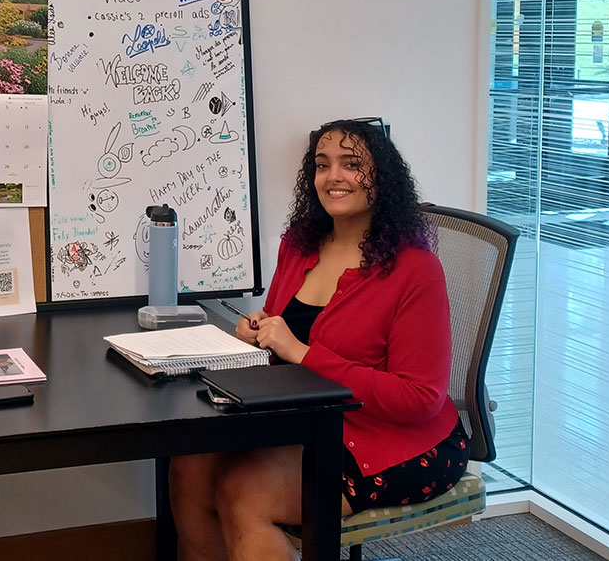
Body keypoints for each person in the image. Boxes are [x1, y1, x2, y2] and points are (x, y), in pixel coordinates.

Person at [170, 118, 469, 561]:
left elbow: (420, 397)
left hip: (397, 439)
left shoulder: (414, 269)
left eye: (352, 164)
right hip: (308, 417)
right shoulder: (299, 243)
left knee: (244, 493)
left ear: (381, 176)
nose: (334, 177)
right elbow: (280, 328)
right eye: (322, 164)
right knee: (189, 464)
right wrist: (260, 335)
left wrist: (304, 354)